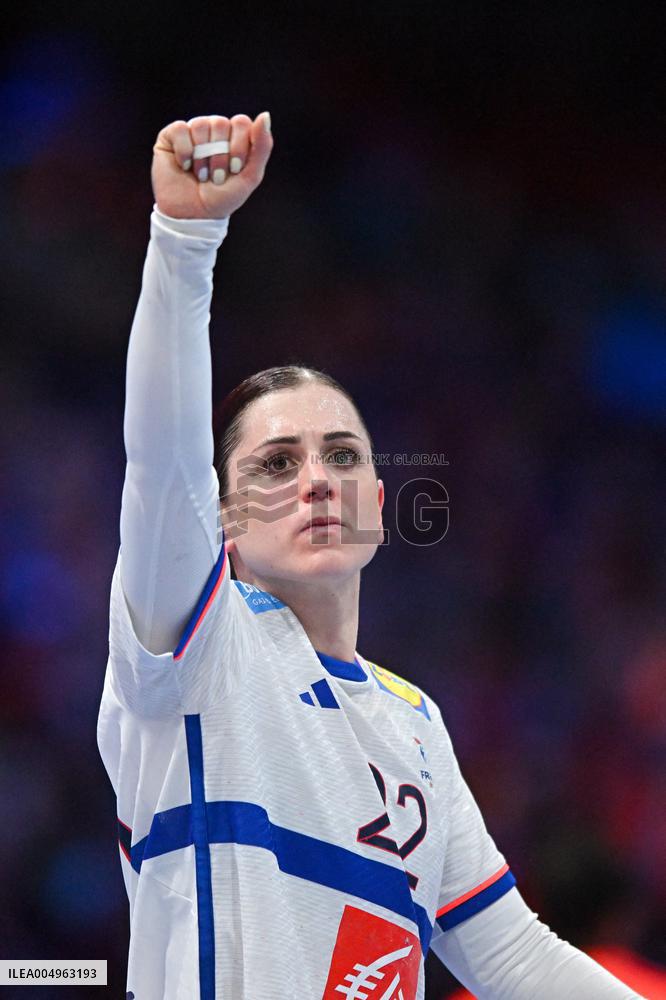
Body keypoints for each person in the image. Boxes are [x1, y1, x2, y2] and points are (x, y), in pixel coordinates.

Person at [96, 112, 646, 999]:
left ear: (379, 509)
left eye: (342, 456)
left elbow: (514, 959)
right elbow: (162, 465)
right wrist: (185, 241)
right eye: (277, 464)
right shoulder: (194, 651)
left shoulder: (415, 724)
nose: (317, 479)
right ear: (220, 520)